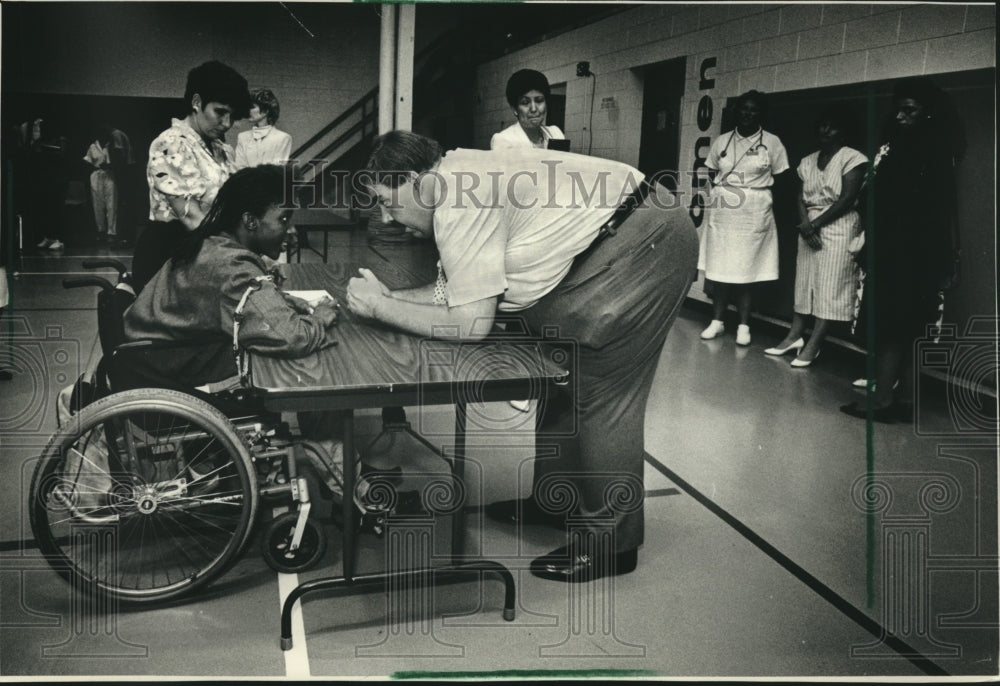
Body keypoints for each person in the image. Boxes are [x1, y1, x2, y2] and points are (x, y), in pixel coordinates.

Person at [347, 131, 697, 582]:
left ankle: (613, 544)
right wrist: (391, 298)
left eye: (386, 201)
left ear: (415, 182)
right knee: (558, 381)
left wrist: (380, 307)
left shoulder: (459, 198)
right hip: (618, 239)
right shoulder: (455, 177)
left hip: (646, 242)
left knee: (602, 395)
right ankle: (558, 500)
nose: (386, 217)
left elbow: (471, 324)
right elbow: (453, 293)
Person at [841, 77, 963, 423]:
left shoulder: (908, 151)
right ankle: (906, 400)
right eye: (899, 109)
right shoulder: (937, 150)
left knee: (891, 325)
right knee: (911, 325)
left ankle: (881, 402)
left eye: (909, 110)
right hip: (920, 250)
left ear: (927, 114)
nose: (900, 116)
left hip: (901, 250)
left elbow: (889, 204)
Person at [134, 61, 251, 292]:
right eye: (220, 112)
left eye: (232, 116)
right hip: (171, 256)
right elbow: (193, 219)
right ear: (197, 103)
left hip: (210, 251)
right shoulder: (170, 143)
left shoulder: (220, 149)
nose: (227, 123)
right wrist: (245, 255)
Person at [765, 106, 867, 367]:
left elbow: (847, 198)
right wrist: (805, 223)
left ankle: (815, 343)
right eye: (822, 125)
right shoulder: (808, 161)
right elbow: (799, 196)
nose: (825, 130)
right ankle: (794, 335)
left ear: (843, 132)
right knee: (805, 282)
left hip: (839, 227)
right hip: (809, 226)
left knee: (830, 286)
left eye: (832, 126)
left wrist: (816, 224)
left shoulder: (852, 158)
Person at [698, 90, 789, 346]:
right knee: (720, 267)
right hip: (724, 210)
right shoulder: (722, 141)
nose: (748, 114)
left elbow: (781, 178)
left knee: (747, 270)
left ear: (760, 114)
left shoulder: (772, 143)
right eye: (744, 109)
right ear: (737, 112)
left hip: (753, 211)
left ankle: (744, 325)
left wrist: (759, 200)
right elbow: (710, 171)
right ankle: (717, 321)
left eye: (753, 110)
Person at [490, 69, 566, 150]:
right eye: (525, 102)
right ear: (515, 109)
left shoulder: (555, 134)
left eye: (539, 101)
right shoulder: (504, 139)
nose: (533, 109)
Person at [83, 124, 133, 246]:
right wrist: (96, 167)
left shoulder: (111, 146)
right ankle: (101, 230)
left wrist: (109, 166)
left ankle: (111, 232)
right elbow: (87, 161)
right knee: (97, 204)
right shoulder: (92, 146)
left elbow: (119, 161)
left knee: (111, 204)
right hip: (96, 174)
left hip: (109, 174)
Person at [25, 118, 69, 251]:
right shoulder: (41, 142)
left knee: (56, 212)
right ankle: (47, 238)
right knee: (45, 212)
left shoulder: (61, 140)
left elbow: (61, 155)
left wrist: (43, 150)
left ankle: (58, 239)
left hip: (58, 183)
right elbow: (34, 154)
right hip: (45, 183)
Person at [235, 89, 293, 169]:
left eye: (252, 107)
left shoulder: (283, 138)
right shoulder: (242, 137)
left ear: (266, 111)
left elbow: (276, 171)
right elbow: (238, 168)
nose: (247, 111)